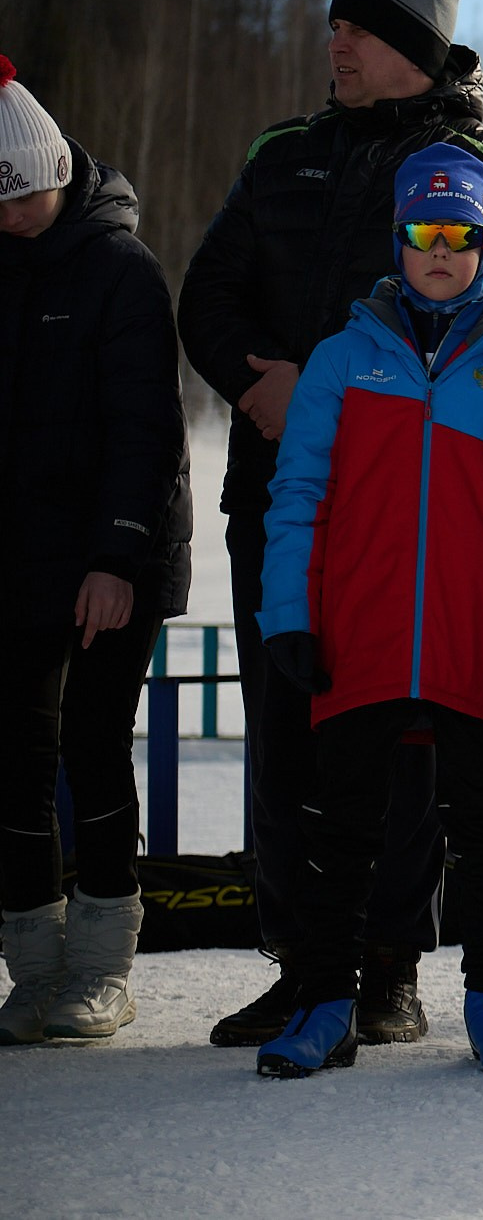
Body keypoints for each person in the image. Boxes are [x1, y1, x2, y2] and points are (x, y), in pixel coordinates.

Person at [179, 0, 483, 1049]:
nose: (334, 43)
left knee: (410, 741)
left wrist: (344, 397)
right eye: (333, 25)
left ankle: (391, 969)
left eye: (357, 29)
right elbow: (207, 297)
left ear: (413, 49)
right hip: (282, 495)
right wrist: (263, 386)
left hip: (423, 512)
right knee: (290, 729)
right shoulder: (282, 149)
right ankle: (305, 967)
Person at [248, 148, 483, 1078]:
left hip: (475, 637)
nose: (442, 251)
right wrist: (289, 616)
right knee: (339, 826)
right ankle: (325, 1001)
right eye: (425, 233)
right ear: (397, 240)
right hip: (361, 632)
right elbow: (298, 495)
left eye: (462, 235)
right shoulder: (341, 360)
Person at [0, 63, 188, 1046]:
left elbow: (145, 431)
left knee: (93, 745)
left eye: (23, 194)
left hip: (118, 553)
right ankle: (35, 971)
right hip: (22, 554)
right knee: (16, 758)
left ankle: (104, 968)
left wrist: (116, 560)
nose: (12, 216)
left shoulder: (121, 270)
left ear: (57, 173)